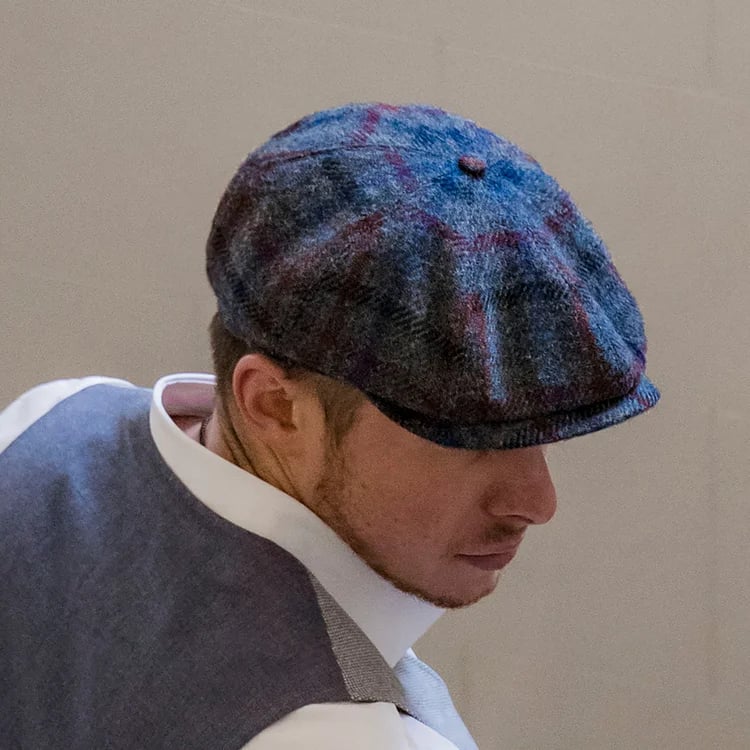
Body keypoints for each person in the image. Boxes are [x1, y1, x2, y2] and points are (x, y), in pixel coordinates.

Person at [0, 102, 660, 749]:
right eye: (471, 440)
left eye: (540, 433)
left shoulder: (49, 421)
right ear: (274, 406)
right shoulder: (348, 734)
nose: (538, 502)